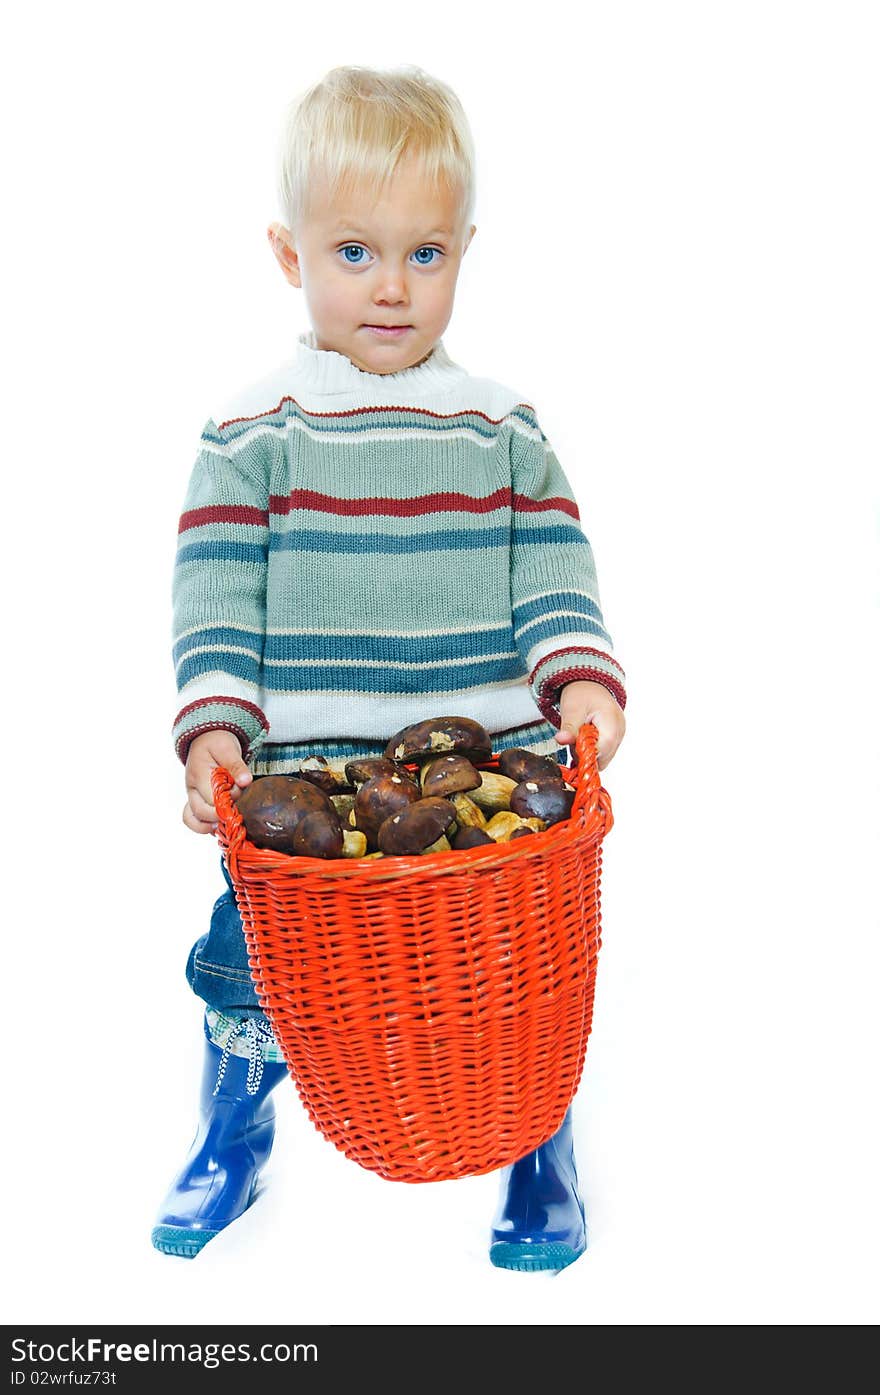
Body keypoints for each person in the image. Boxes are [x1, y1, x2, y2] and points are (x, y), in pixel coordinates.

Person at [153, 64, 626, 1269]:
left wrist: (577, 678)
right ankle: (234, 1131)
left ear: (466, 250)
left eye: (425, 254)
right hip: (306, 799)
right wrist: (213, 726)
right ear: (287, 252)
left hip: (481, 800)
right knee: (247, 967)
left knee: (512, 981)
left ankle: (539, 1146)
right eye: (354, 251)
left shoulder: (501, 426)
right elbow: (217, 597)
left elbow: (553, 573)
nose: (391, 286)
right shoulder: (253, 433)